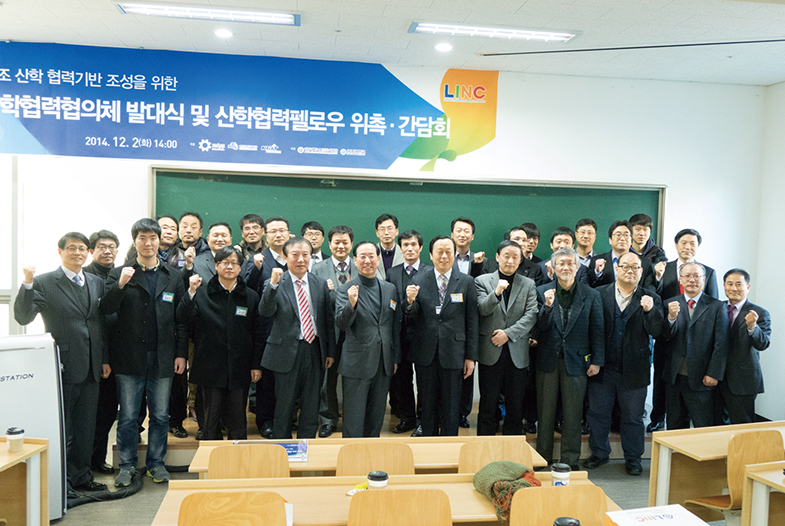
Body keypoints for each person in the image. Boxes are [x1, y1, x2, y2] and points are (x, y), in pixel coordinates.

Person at [14, 232, 110, 498]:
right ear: (60, 252)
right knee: (64, 429)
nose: (77, 253)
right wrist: (27, 283)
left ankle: (82, 477)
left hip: (92, 366)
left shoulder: (95, 281)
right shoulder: (44, 282)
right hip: (63, 365)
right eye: (71, 248)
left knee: (85, 427)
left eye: (82, 248)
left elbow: (98, 323)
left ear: (88, 253)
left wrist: (104, 358)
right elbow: (23, 316)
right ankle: (61, 482)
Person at [101, 218, 188, 487]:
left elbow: (181, 319)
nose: (148, 243)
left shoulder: (173, 276)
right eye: (142, 238)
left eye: (153, 238)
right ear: (135, 241)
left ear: (159, 241)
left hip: (163, 356)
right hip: (128, 357)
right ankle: (127, 466)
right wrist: (120, 285)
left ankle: (156, 464)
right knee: (128, 416)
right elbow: (106, 309)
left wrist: (181, 354)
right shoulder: (120, 273)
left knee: (160, 416)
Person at [584, 252, 664, 476]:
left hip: (635, 368)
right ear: (616, 269)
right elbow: (590, 330)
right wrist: (593, 360)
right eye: (625, 266)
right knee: (598, 413)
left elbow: (658, 331)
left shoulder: (651, 298)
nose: (630, 271)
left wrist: (650, 311)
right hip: (603, 366)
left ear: (641, 272)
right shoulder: (599, 294)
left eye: (635, 267)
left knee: (632, 416)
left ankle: (633, 458)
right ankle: (599, 452)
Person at [178, 246, 264, 440]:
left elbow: (257, 333)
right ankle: (211, 457)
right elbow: (183, 318)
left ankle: (237, 457)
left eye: (234, 263)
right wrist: (190, 292)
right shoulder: (201, 293)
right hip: (210, 367)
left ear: (240, 268)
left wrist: (256, 365)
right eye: (225, 263)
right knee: (210, 421)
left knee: (238, 420)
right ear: (216, 266)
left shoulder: (250, 296)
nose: (229, 267)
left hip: (240, 367)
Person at [534, 247, 604, 470]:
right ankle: (542, 458)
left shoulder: (591, 295)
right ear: (553, 269)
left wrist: (597, 360)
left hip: (577, 362)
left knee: (573, 414)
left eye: (570, 263)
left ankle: (570, 461)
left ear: (577, 267)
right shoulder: (541, 292)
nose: (565, 267)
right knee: (545, 413)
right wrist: (547, 306)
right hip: (547, 361)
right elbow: (539, 327)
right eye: (561, 264)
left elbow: (598, 330)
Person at [259, 237, 335, 439]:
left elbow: (327, 320)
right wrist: (273, 285)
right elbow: (265, 311)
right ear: (285, 257)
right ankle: (283, 448)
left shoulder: (319, 283)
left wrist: (329, 352)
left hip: (314, 349)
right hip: (285, 351)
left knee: (311, 404)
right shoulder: (275, 282)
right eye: (295, 255)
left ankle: (306, 446)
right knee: (284, 405)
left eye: (305, 255)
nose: (301, 259)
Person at [405, 235, 479, 436]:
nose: (444, 256)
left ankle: (449, 445)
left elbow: (472, 321)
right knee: (427, 403)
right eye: (440, 252)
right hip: (425, 353)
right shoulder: (419, 279)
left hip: (455, 353)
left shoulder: (466, 282)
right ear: (431, 255)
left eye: (448, 252)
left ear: (454, 255)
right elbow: (411, 317)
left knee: (451, 405)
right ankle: (429, 443)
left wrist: (471, 357)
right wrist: (409, 302)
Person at [648, 228, 718, 433]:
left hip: (696, 343)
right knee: (662, 381)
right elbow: (654, 297)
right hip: (667, 336)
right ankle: (657, 417)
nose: (688, 247)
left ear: (698, 247)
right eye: (684, 243)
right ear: (676, 245)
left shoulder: (707, 272)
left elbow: (712, 306)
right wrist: (658, 278)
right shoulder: (662, 268)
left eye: (692, 243)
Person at [335, 241, 401, 437]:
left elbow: (394, 326)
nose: (367, 260)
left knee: (376, 419)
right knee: (354, 421)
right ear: (355, 260)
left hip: (383, 362)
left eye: (371, 256)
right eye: (362, 256)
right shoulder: (346, 289)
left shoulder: (389, 288)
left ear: (378, 259)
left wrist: (395, 357)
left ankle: (372, 453)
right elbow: (341, 323)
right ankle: (350, 455)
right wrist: (351, 304)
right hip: (357, 364)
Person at [475, 240, 538, 436]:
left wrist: (508, 334)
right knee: (488, 403)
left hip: (517, 351)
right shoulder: (482, 281)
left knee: (515, 404)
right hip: (490, 350)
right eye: (506, 256)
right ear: (497, 257)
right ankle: (484, 444)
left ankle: (513, 444)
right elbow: (482, 309)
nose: (510, 261)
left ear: (520, 260)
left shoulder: (528, 284)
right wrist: (496, 293)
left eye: (515, 257)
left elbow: (531, 315)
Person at [660, 262, 728, 430]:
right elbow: (664, 338)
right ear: (681, 280)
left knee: (703, 425)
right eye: (687, 276)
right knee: (674, 425)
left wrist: (713, 373)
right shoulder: (669, 303)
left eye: (696, 276)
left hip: (702, 377)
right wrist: (671, 318)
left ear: (704, 280)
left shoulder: (717, 306)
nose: (692, 280)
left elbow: (721, 344)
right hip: (674, 376)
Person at [312, 225, 357, 438]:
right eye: (336, 242)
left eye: (345, 242)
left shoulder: (361, 264)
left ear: (351, 244)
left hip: (356, 332)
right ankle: (328, 419)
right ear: (329, 244)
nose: (340, 246)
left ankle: (353, 419)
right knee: (328, 378)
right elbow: (311, 300)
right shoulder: (318, 268)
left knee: (354, 378)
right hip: (329, 332)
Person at [249, 216, 291, 438]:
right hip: (266, 329)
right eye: (273, 231)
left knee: (287, 380)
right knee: (266, 380)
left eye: (282, 230)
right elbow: (248, 290)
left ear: (289, 234)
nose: (278, 234)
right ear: (266, 235)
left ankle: (285, 419)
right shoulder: (259, 260)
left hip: (291, 330)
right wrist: (256, 269)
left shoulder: (295, 258)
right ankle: (265, 421)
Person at [84, 230, 121, 475]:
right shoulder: (85, 276)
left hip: (120, 354)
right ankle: (84, 462)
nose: (107, 251)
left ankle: (97, 459)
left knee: (108, 411)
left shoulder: (121, 274)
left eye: (111, 247)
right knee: (91, 414)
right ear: (92, 251)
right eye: (101, 247)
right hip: (94, 356)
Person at [717, 268, 771, 424]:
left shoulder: (760, 313)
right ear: (724, 286)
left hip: (743, 380)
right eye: (730, 284)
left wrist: (752, 327)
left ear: (748, 287)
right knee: (716, 424)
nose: (734, 288)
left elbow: (763, 343)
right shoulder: (716, 308)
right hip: (716, 377)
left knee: (742, 424)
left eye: (739, 284)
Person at [386, 229, 426, 434]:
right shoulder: (392, 273)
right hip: (399, 334)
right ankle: (407, 418)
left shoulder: (429, 271)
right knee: (402, 380)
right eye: (405, 245)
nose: (409, 249)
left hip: (422, 335)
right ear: (400, 249)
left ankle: (424, 420)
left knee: (424, 380)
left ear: (420, 247)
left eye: (413, 245)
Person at [450, 217, 482, 428]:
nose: (462, 234)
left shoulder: (481, 262)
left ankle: (462, 413)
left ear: (472, 236)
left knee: (467, 371)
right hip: (447, 321)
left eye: (466, 231)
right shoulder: (442, 258)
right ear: (452, 234)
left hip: (469, 321)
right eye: (458, 230)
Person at [587, 220, 655, 290]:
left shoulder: (644, 263)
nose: (622, 238)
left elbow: (649, 289)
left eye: (626, 235)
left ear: (631, 240)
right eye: (618, 235)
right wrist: (597, 273)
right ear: (610, 240)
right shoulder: (596, 261)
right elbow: (589, 288)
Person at [237, 214, 266, 282]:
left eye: (255, 227)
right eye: (247, 228)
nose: (251, 232)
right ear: (242, 233)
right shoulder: (237, 252)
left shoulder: (271, 250)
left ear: (263, 231)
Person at [374, 213, 403, 280]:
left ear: (397, 231)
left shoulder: (404, 253)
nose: (386, 233)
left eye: (390, 228)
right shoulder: (370, 253)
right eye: (382, 229)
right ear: (377, 233)